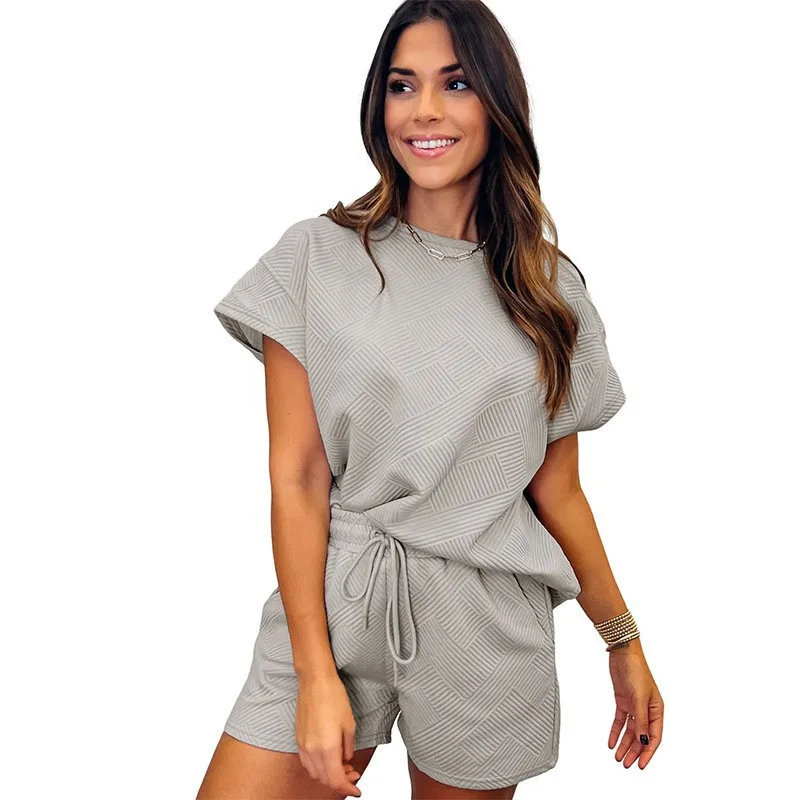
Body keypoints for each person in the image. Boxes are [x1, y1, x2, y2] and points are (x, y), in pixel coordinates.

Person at [197, 2, 664, 798]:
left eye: (456, 83)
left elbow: (557, 492)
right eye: (402, 85)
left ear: (498, 102)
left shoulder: (549, 292)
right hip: (338, 598)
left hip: (484, 623)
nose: (425, 111)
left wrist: (621, 639)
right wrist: (315, 671)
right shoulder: (314, 258)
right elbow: (298, 476)